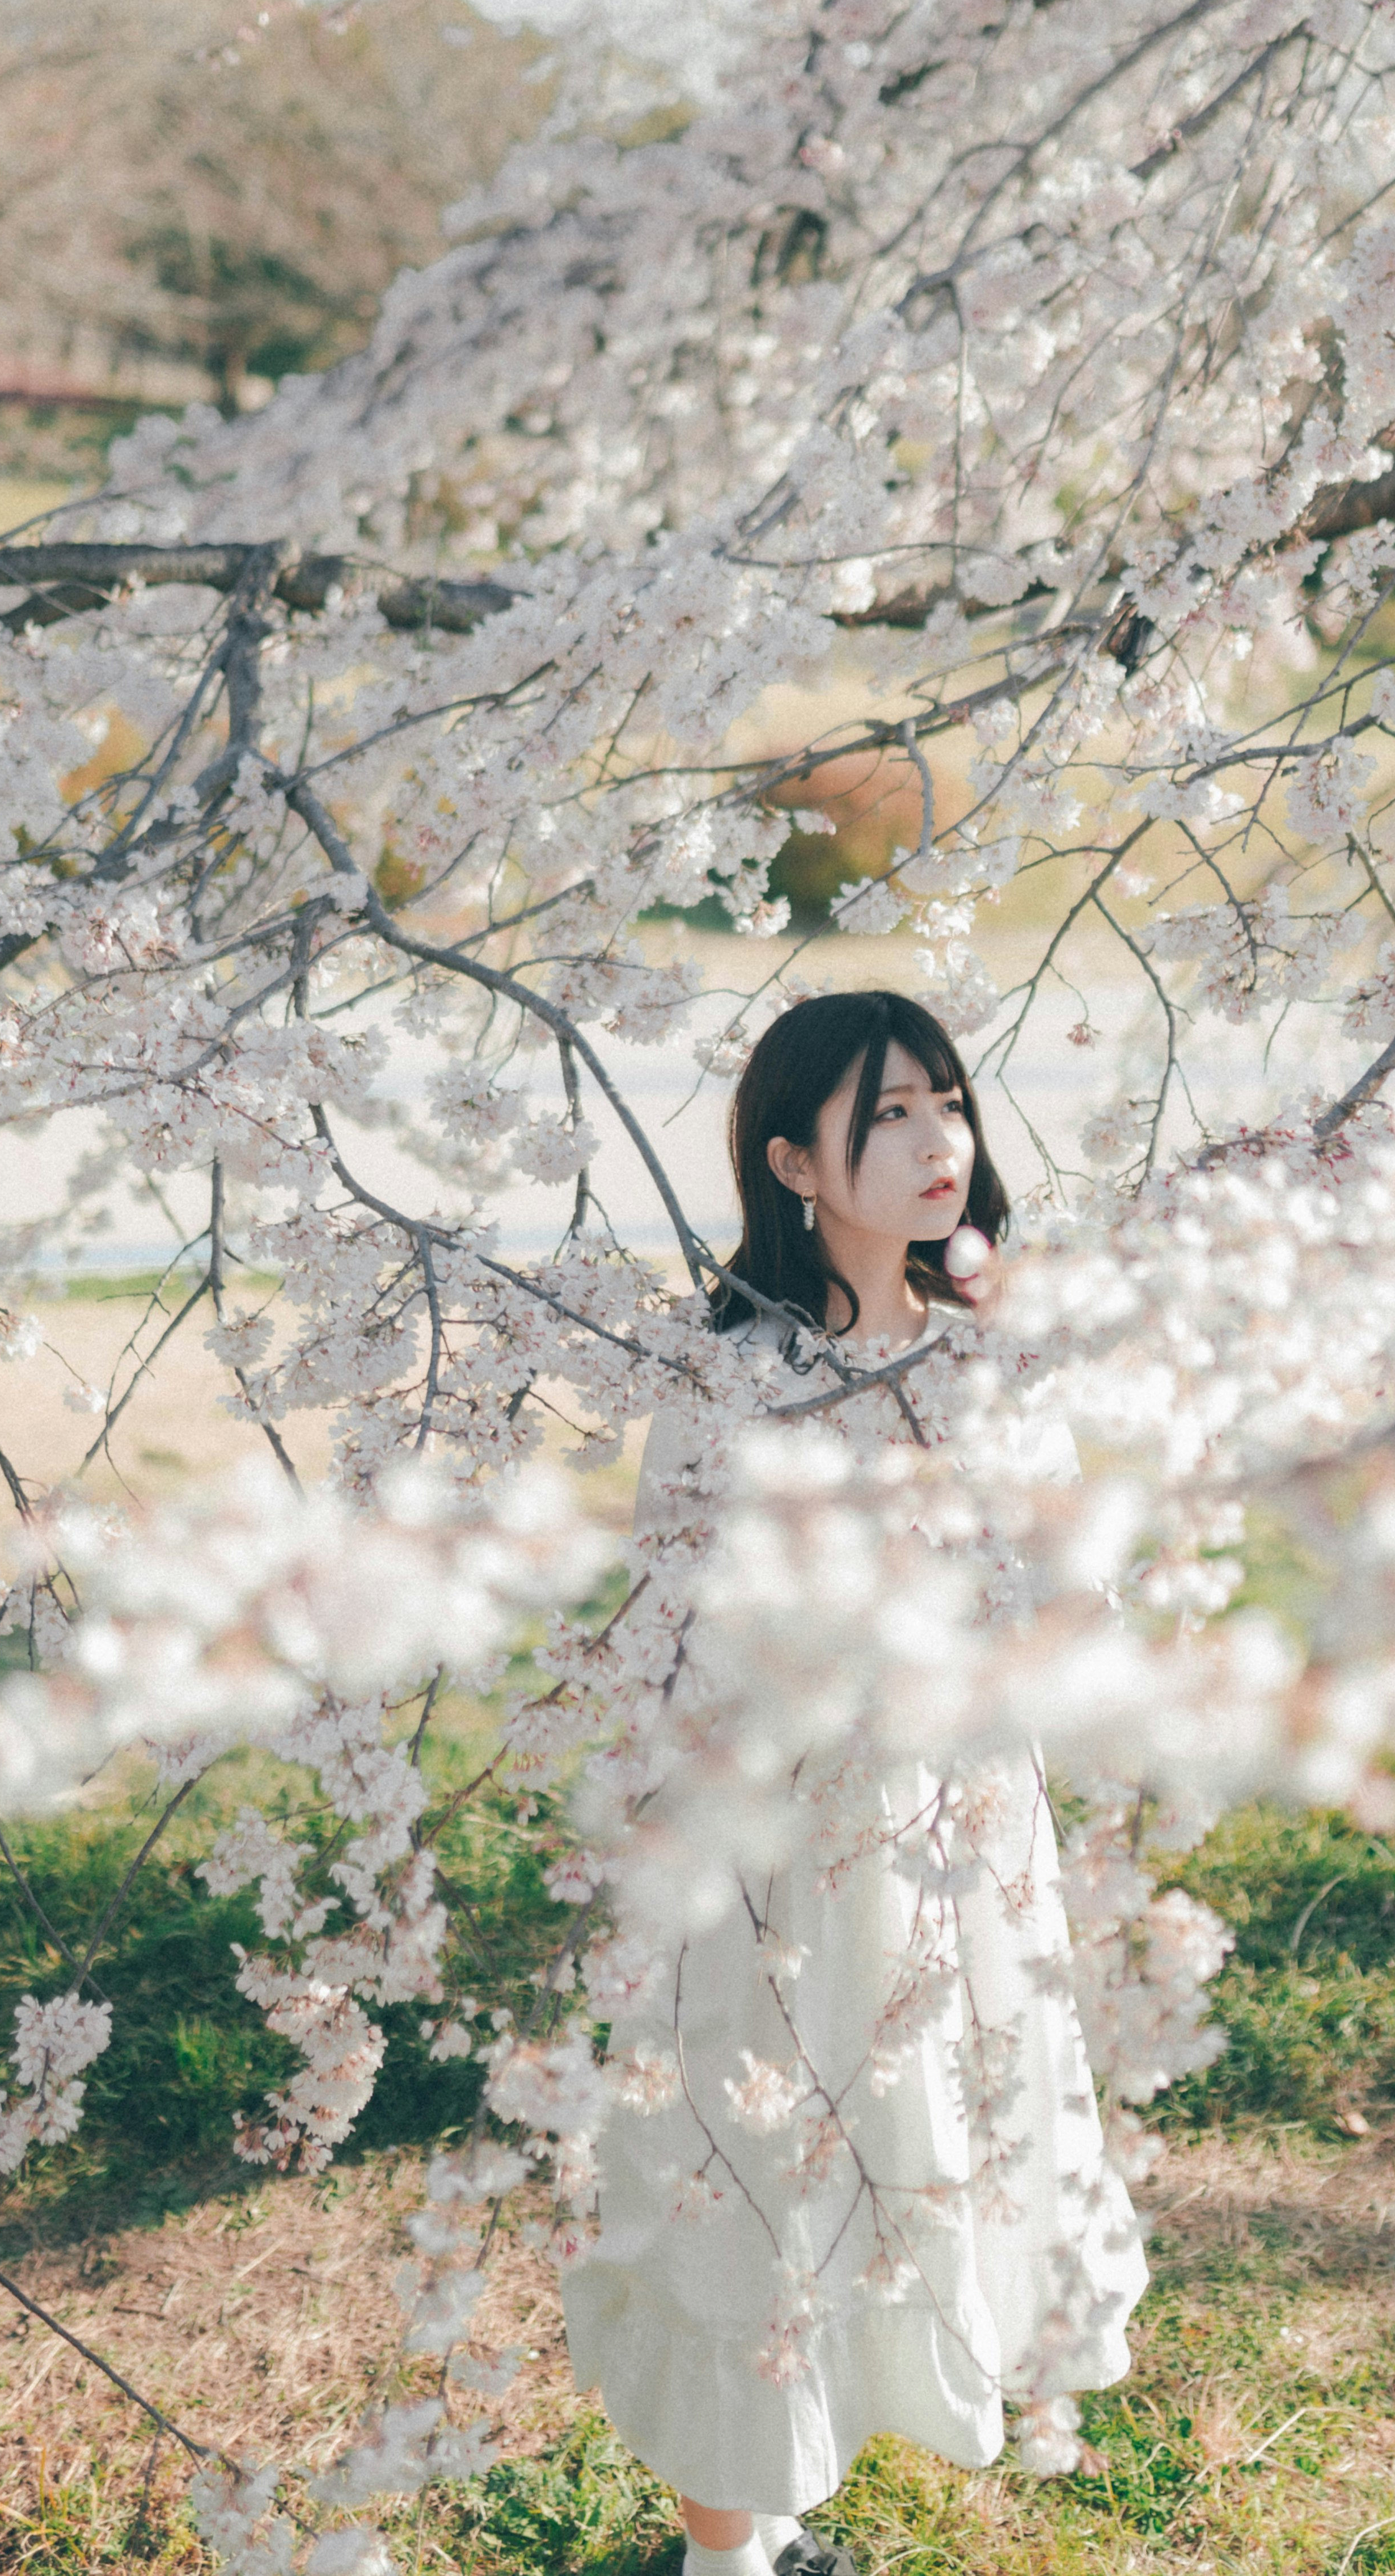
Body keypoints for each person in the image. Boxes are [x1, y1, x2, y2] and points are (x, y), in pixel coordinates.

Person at [558, 990, 1147, 2576]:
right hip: (783, 1840)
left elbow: (1075, 1607)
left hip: (960, 1839)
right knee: (751, 2168)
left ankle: (786, 2502)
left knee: (894, 2150)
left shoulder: (975, 1358)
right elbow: (667, 1640)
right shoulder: (731, 1370)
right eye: (885, 1113)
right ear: (793, 1162)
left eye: (946, 1101)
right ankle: (727, 2556)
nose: (936, 1138)